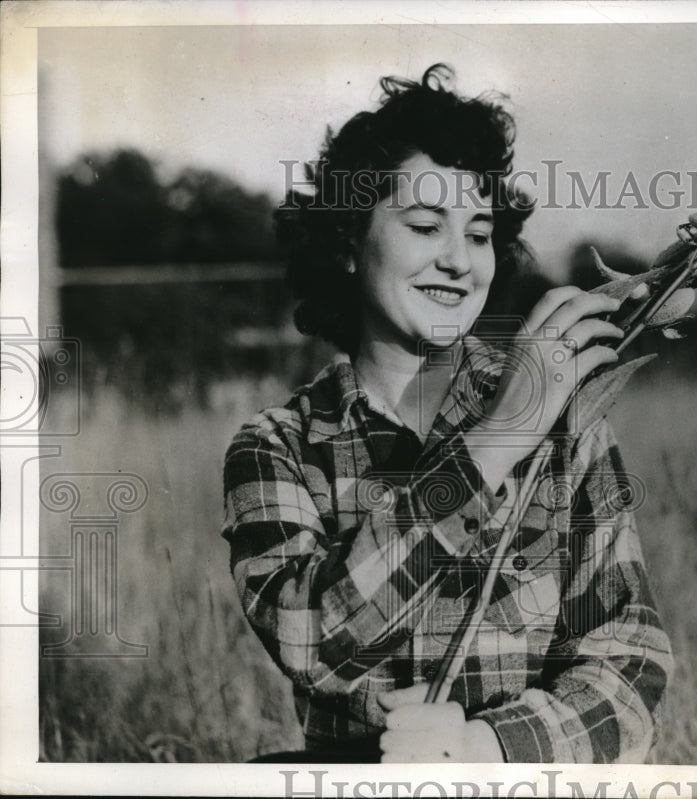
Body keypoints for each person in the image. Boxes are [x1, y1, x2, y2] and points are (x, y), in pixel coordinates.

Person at [222, 64, 673, 764]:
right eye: (427, 225)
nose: (459, 261)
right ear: (346, 242)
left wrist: (488, 744)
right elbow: (312, 639)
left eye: (479, 232)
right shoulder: (277, 447)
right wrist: (493, 443)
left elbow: (630, 655)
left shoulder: (565, 418)